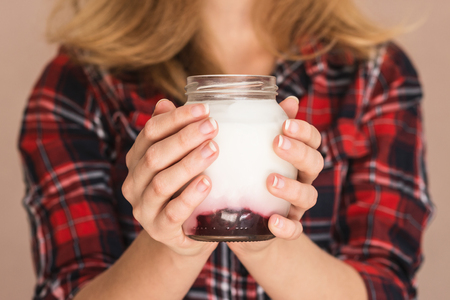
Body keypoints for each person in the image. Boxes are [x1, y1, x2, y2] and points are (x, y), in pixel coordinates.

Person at [19, 0, 433, 299]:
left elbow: (386, 287)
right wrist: (172, 241)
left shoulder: (374, 77)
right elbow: (71, 289)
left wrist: (271, 242)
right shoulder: (80, 84)